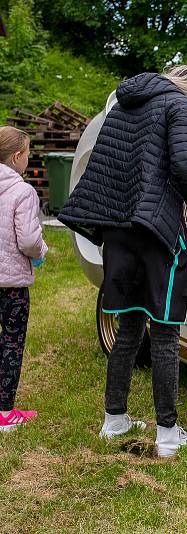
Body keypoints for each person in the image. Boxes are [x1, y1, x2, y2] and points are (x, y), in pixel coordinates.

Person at [58, 65, 187, 457]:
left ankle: (114, 421)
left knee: (129, 326)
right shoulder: (178, 104)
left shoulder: (125, 102)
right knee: (164, 333)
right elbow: (184, 164)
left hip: (117, 229)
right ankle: (167, 435)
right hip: (155, 233)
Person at [0, 126, 48, 432]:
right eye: (28, 152)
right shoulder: (23, 191)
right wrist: (42, 250)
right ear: (18, 156)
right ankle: (4, 412)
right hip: (12, 285)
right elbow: (29, 240)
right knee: (11, 342)